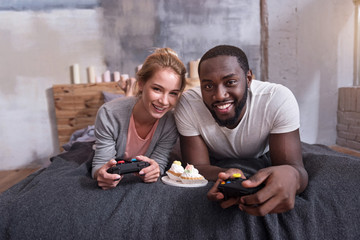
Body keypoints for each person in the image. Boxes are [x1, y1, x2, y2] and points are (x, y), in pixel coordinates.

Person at [174, 45, 308, 216]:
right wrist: (224, 174)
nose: (220, 95)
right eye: (208, 86)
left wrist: (293, 176)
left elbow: (294, 168)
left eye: (230, 82)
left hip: (261, 153)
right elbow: (196, 166)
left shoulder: (276, 99)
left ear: (249, 78)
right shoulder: (189, 104)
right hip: (216, 160)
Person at [92, 47, 187, 190]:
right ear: (141, 83)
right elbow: (100, 165)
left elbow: (159, 163)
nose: (164, 101)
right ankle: (128, 92)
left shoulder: (171, 122)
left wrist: (154, 171)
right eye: (157, 89)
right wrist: (102, 174)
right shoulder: (109, 113)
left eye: (173, 93)